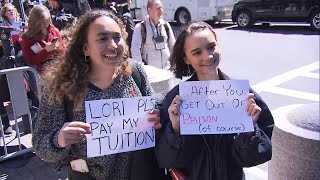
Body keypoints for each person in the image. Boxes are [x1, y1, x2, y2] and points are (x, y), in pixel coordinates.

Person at [32, 10, 166, 180]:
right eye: (102, 38)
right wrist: (59, 140)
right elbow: (39, 144)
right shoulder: (62, 87)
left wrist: (156, 117)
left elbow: (152, 111)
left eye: (117, 37)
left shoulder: (134, 73)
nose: (113, 45)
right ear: (85, 48)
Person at [155, 21, 274, 179]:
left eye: (211, 46)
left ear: (218, 45)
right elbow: (166, 160)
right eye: (197, 52)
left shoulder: (242, 96)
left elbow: (257, 156)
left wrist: (250, 130)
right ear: (186, 59)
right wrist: (176, 129)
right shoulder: (175, 100)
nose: (207, 56)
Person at [19, 5, 64, 74]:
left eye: (47, 20)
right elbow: (31, 60)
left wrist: (58, 48)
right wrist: (46, 51)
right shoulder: (26, 37)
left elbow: (64, 52)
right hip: (42, 74)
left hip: (58, 70)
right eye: (41, 21)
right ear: (35, 21)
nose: (45, 24)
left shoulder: (54, 30)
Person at [131, 0, 175, 69]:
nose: (161, 11)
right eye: (158, 8)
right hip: (151, 74)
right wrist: (141, 70)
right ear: (149, 11)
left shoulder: (166, 25)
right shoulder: (141, 27)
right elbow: (135, 50)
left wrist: (173, 64)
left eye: (162, 8)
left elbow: (172, 45)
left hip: (167, 71)